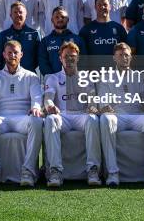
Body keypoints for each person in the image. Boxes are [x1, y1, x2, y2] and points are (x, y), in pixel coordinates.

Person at [0, 40, 43, 187]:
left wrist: (36, 107)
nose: (12, 55)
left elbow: (37, 97)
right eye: (9, 52)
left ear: (21, 55)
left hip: (22, 117)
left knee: (37, 121)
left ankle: (28, 172)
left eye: (15, 52)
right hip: (0, 118)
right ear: (4, 55)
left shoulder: (31, 76)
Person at [97, 43, 144, 186]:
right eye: (120, 55)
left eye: (127, 55)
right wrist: (104, 106)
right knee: (105, 119)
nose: (124, 58)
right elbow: (102, 100)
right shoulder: (106, 76)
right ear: (114, 58)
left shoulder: (139, 76)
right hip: (117, 115)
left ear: (131, 57)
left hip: (137, 115)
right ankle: (112, 173)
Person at [43, 42, 102, 187]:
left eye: (73, 56)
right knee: (51, 120)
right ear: (60, 59)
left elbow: (92, 99)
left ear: (78, 58)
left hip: (81, 115)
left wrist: (92, 107)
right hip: (62, 115)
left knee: (93, 119)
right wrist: (50, 106)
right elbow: (48, 98)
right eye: (66, 56)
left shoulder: (87, 77)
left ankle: (93, 170)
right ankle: (55, 171)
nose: (69, 59)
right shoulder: (53, 78)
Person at [38, 7, 87, 75]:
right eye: (57, 17)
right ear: (52, 20)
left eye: (63, 17)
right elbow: (43, 62)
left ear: (68, 20)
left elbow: (84, 60)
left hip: (74, 79)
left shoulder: (78, 39)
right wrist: (52, 78)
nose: (60, 19)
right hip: (54, 82)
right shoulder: (45, 41)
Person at [0, 1, 41, 72]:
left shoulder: (34, 34)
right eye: (15, 12)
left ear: (26, 15)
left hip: (28, 76)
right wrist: (9, 70)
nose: (18, 14)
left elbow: (39, 56)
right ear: (10, 15)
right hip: (7, 76)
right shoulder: (2, 35)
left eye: (20, 12)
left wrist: (28, 68)